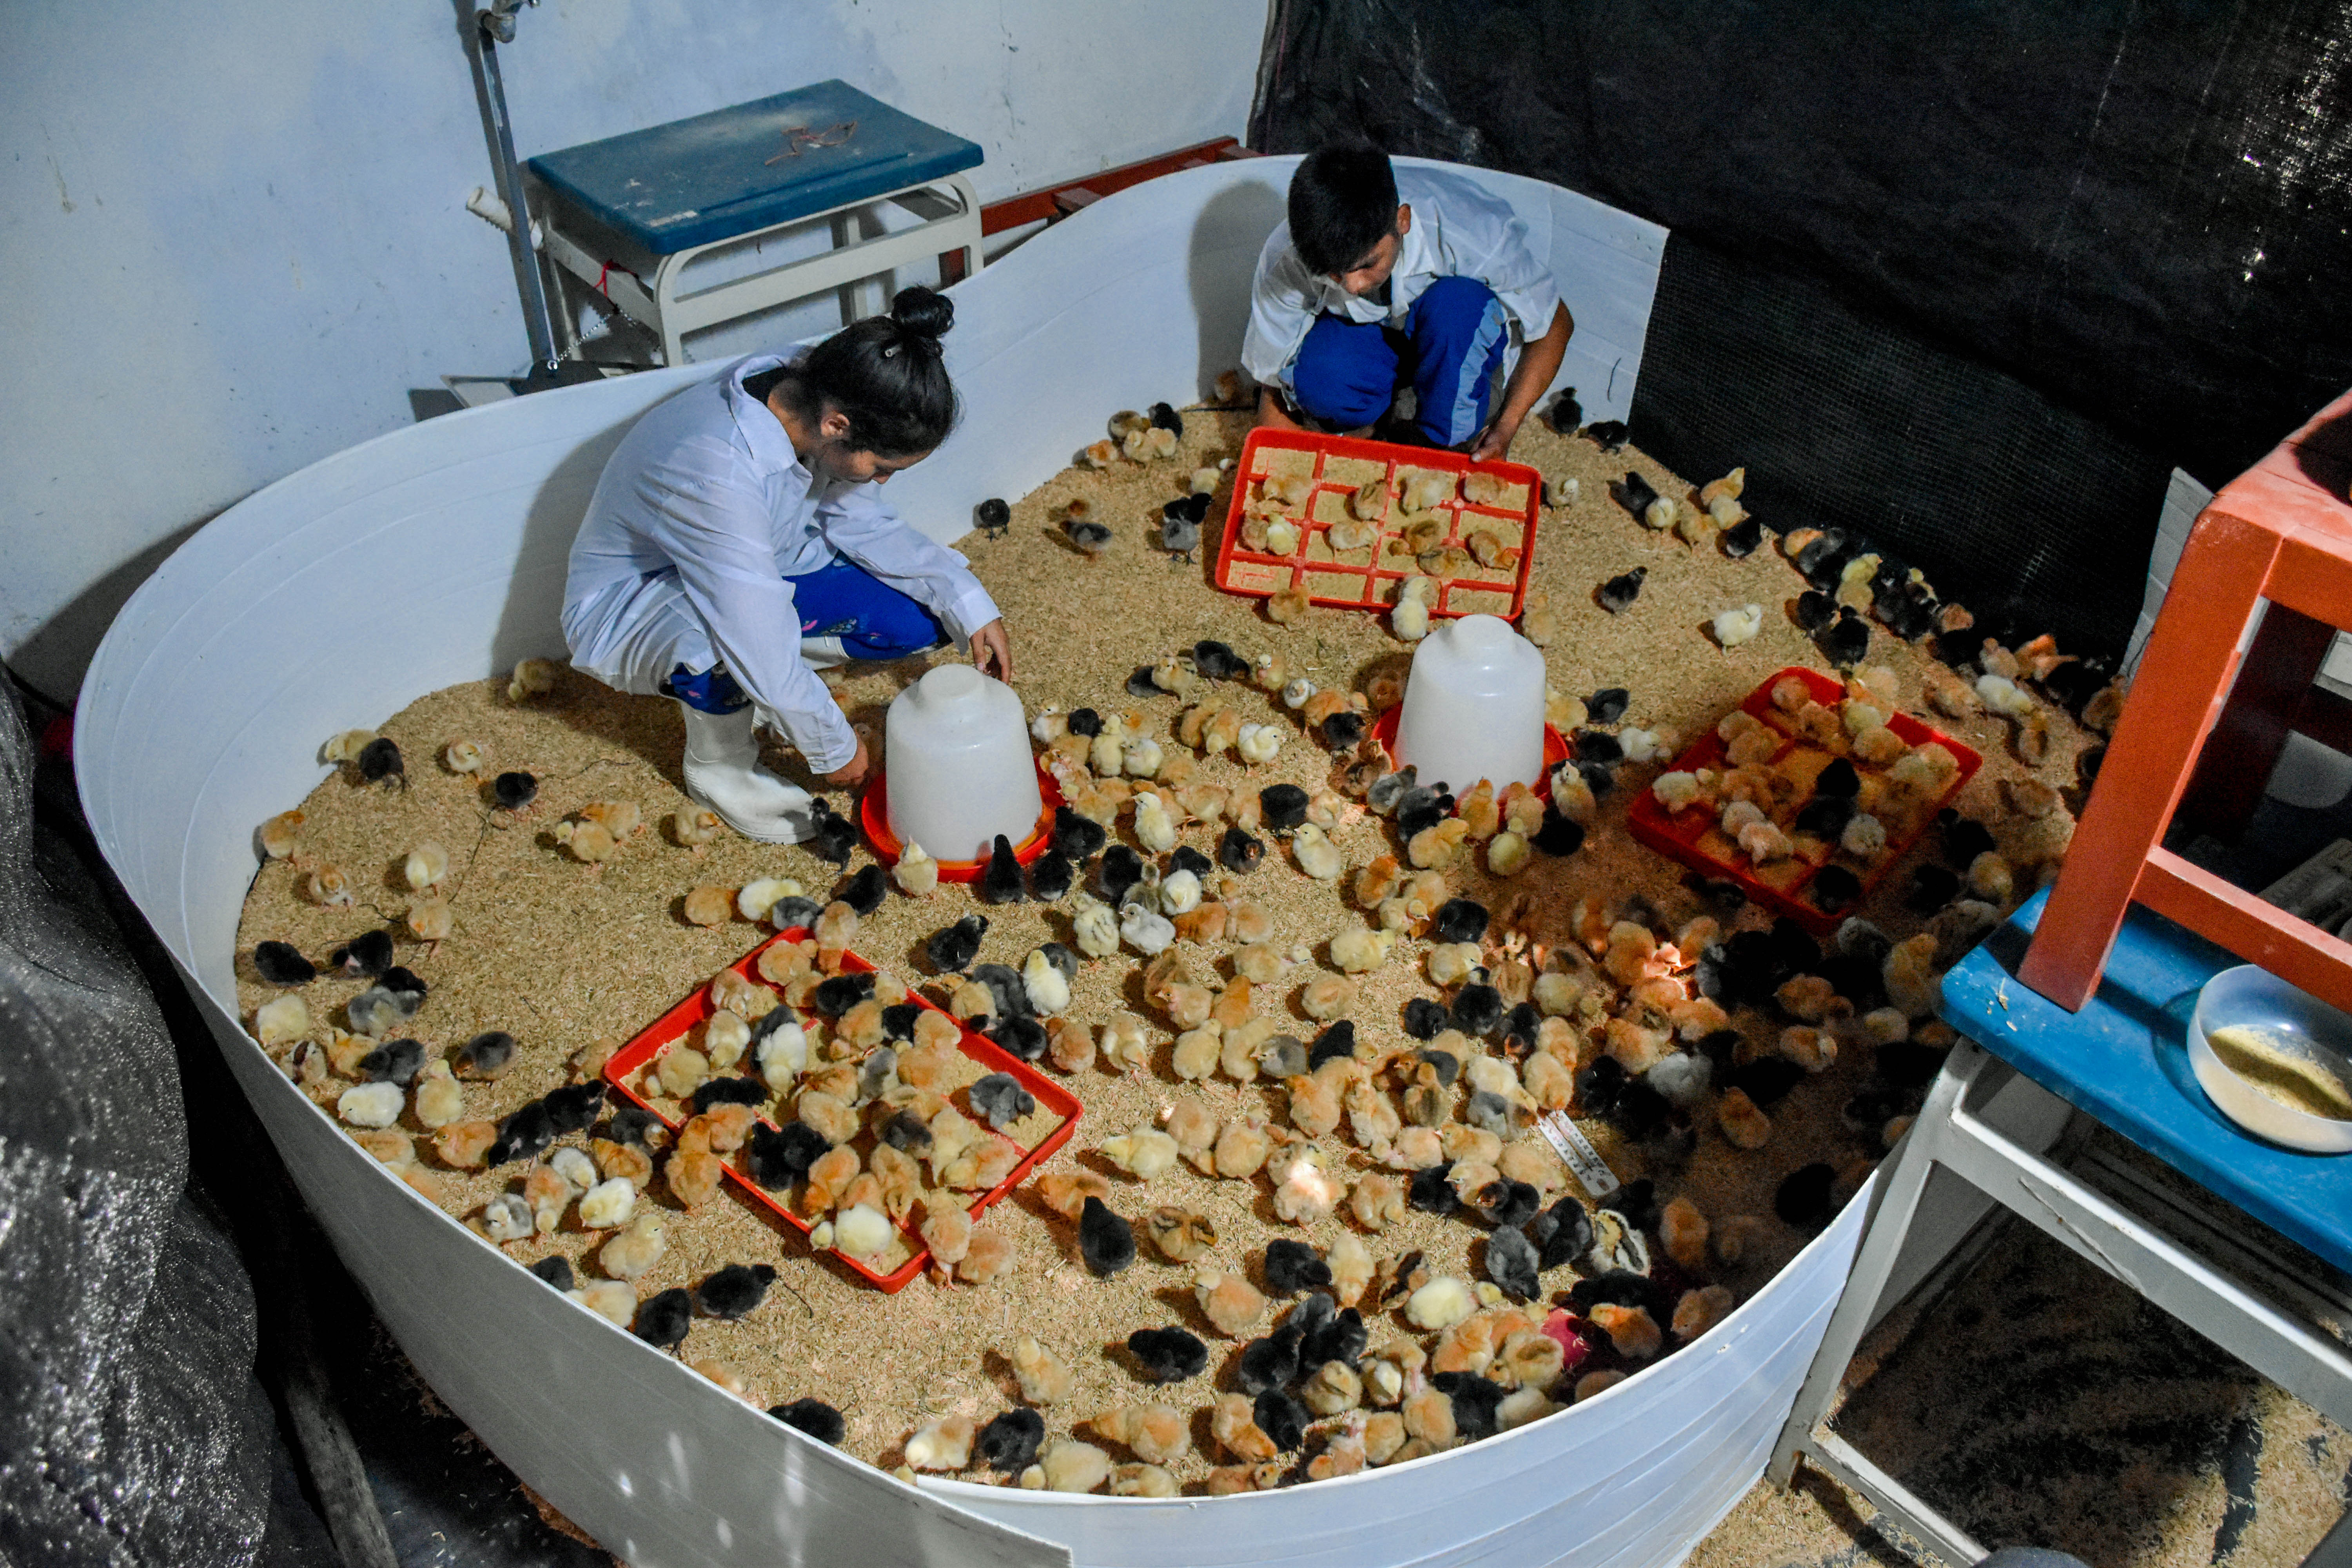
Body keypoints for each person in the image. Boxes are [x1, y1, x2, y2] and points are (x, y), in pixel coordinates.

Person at [563, 286, 1012, 844]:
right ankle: (719, 768)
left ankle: (771, 690)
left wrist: (966, 600)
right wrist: (833, 746)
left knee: (923, 618)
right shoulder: (716, 469)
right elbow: (749, 624)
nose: (882, 480)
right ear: (837, 426)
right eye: (882, 466)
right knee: (728, 649)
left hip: (765, 561)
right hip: (641, 599)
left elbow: (859, 521)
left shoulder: (820, 383)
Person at [1242, 142, 1572, 459]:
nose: (1354, 286)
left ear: (1403, 220)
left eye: (1368, 264)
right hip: (1375, 344)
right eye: (1333, 274)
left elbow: (1556, 323)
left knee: (1457, 309)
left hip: (1453, 343)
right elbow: (1273, 377)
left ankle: (1444, 435)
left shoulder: (1475, 233)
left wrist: (1505, 430)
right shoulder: (1288, 255)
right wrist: (1276, 466)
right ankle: (1377, 428)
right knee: (1320, 378)